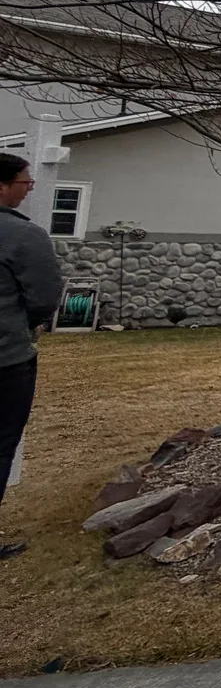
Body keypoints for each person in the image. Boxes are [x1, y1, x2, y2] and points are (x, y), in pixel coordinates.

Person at [0, 152, 64, 559]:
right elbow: (43, 298)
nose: (28, 192)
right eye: (26, 184)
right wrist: (27, 326)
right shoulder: (22, 236)